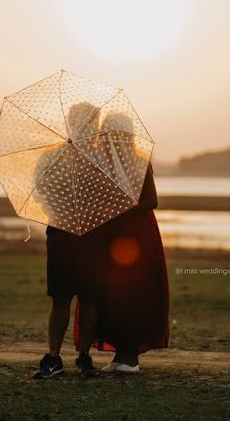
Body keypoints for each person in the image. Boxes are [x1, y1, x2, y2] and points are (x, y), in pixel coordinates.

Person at [72, 112, 170, 374]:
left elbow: (152, 200)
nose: (111, 139)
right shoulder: (103, 163)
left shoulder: (139, 161)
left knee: (133, 294)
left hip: (137, 235)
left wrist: (120, 210)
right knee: (111, 295)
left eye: (116, 134)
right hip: (110, 237)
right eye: (107, 134)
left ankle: (131, 358)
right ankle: (120, 354)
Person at [33, 102, 102, 379]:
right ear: (71, 124)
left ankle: (83, 356)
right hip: (62, 234)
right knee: (61, 299)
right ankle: (53, 356)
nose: (89, 128)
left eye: (92, 124)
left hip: (92, 237)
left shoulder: (102, 161)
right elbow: (40, 192)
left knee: (89, 299)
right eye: (83, 122)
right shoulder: (52, 157)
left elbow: (112, 199)